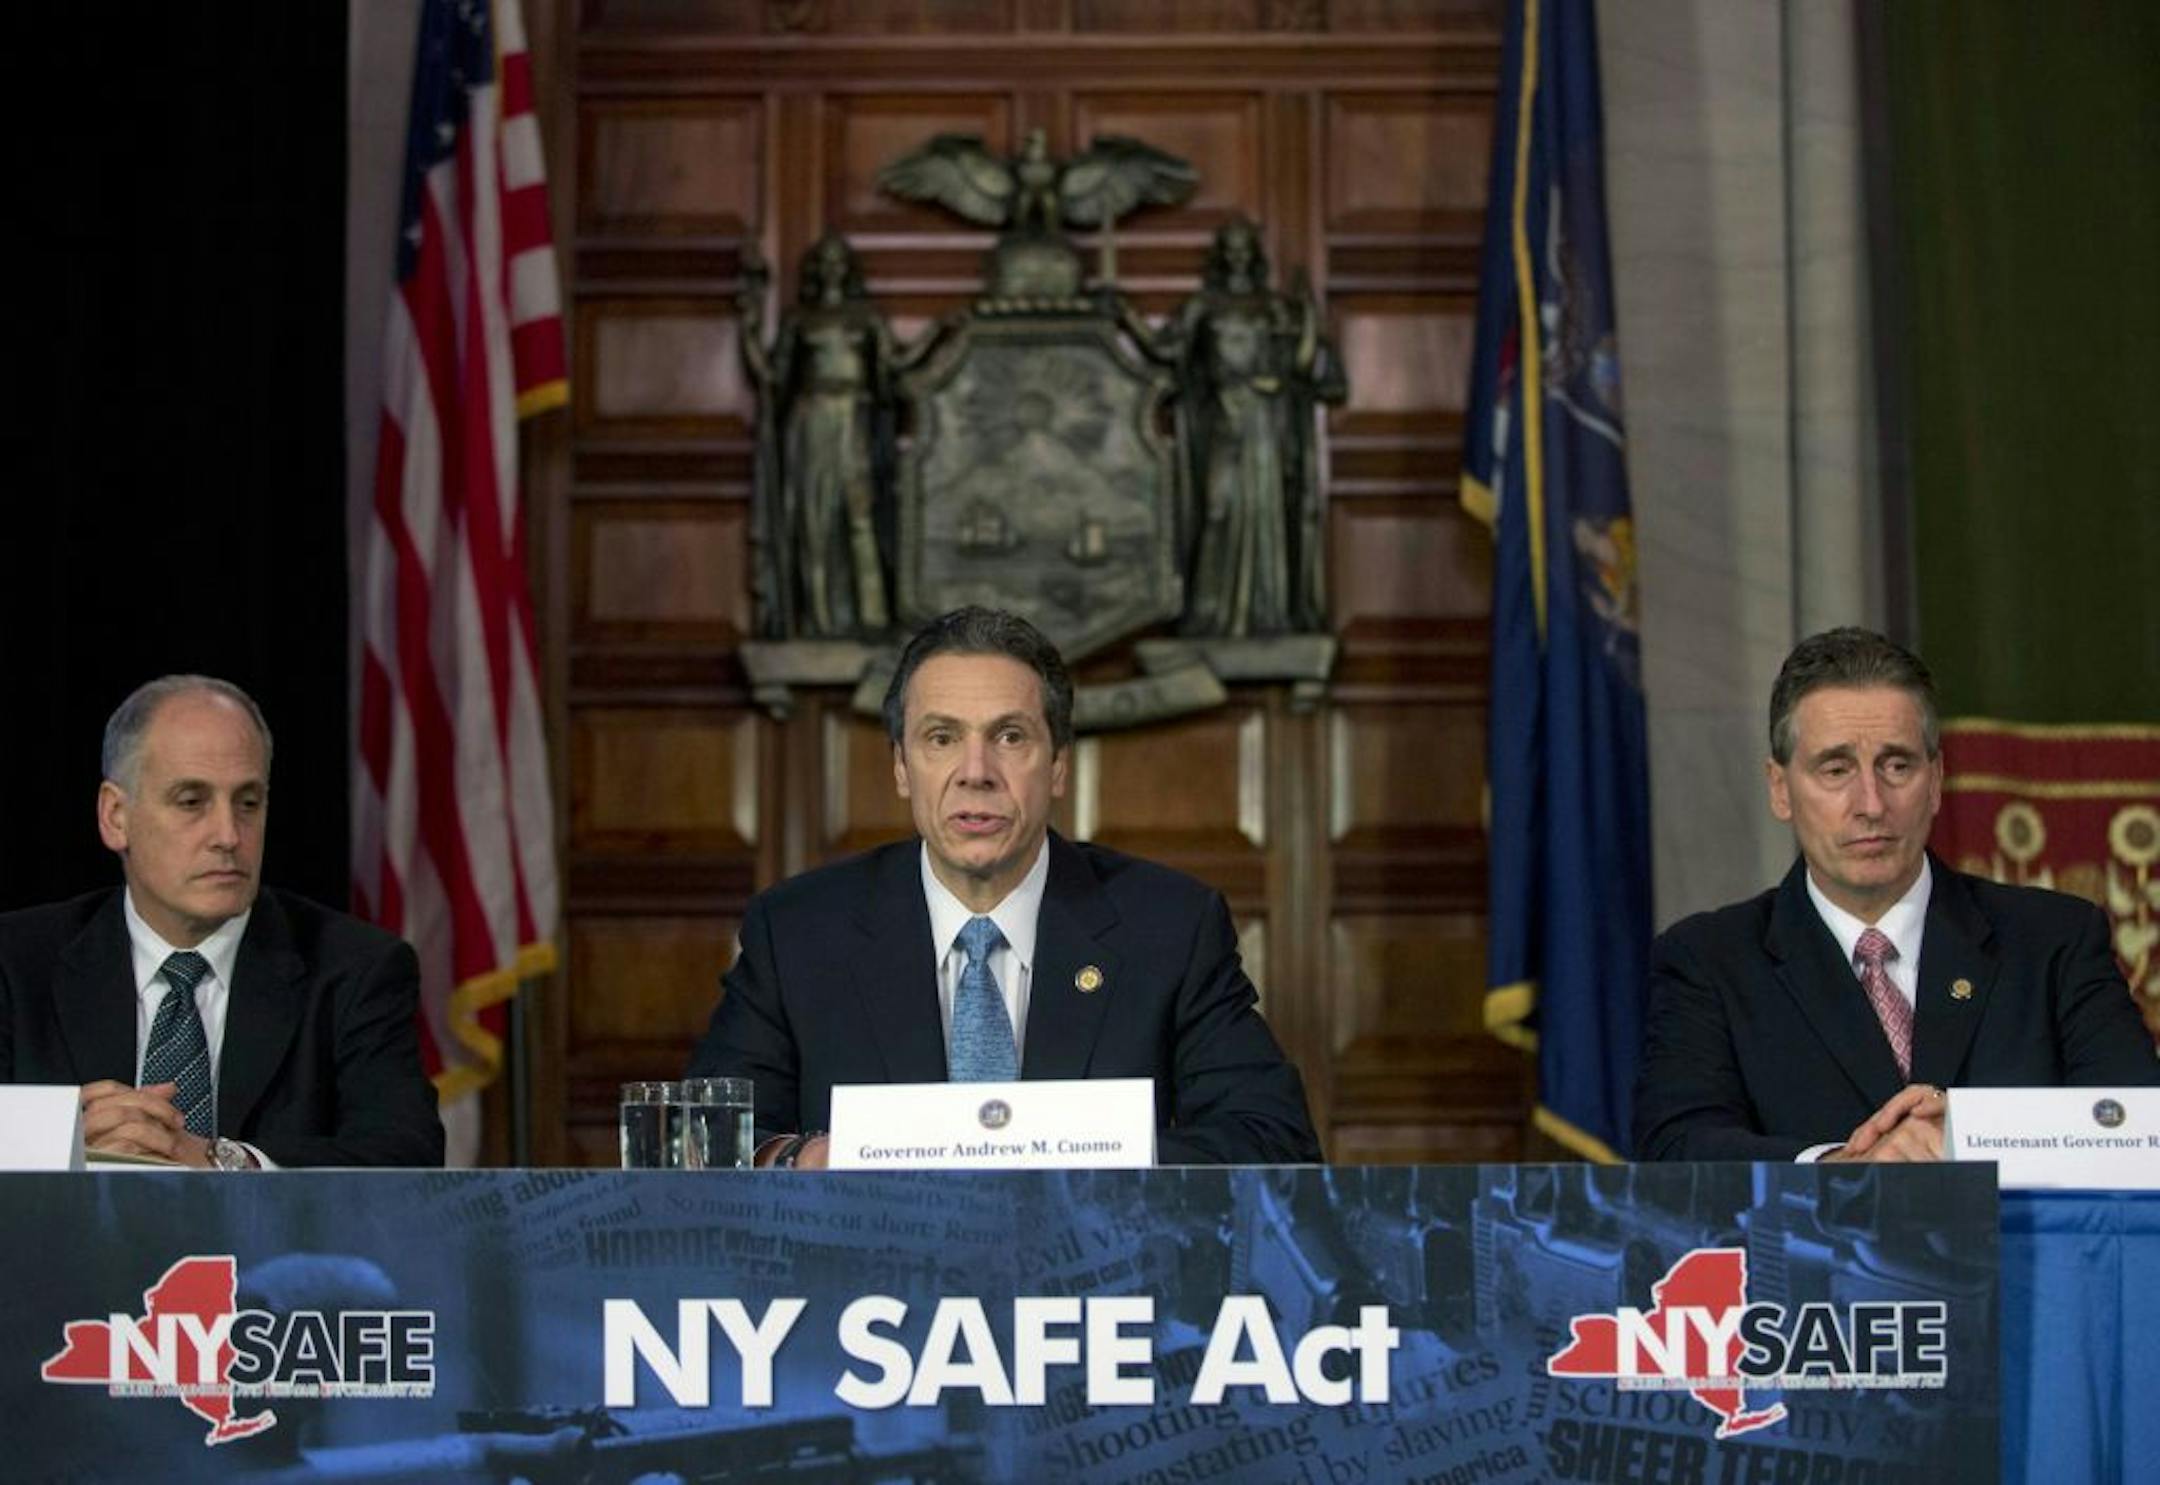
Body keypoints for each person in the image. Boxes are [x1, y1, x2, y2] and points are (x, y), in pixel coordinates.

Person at [688, 606, 1323, 1167]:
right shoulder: (799, 932)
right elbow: (702, 1143)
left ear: (1058, 767)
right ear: (902, 768)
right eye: (941, 738)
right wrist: (801, 1159)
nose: (976, 773)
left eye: (1009, 737)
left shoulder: (1170, 927)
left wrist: (1084, 1151)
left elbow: (1273, 1141)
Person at [1635, 628, 2158, 1162]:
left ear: (1935, 782)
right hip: (1818, 1246)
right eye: (1836, 769)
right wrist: (1846, 1171)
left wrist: (1976, 1136)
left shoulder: (2054, 940)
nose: (1871, 803)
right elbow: (1676, 1148)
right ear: (1780, 788)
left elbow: (2138, 1129)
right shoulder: (1709, 961)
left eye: (1897, 766)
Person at [0, 677, 444, 1168]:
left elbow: (406, 1157)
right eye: (192, 801)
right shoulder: (16, 963)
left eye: (248, 803)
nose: (228, 834)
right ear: (115, 816)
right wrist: (64, 1141)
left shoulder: (356, 970)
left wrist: (222, 1161)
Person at [1158, 217, 1345, 637]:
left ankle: (1270, 614)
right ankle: (1209, 614)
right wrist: (1123, 315)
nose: (1238, 255)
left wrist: (1286, 374)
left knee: (1270, 514)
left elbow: (1307, 361)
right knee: (1217, 508)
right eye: (1230, 247)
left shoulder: (1276, 306)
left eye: (1245, 247)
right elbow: (1165, 351)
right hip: (1223, 420)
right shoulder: (1201, 306)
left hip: (1268, 424)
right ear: (1220, 255)